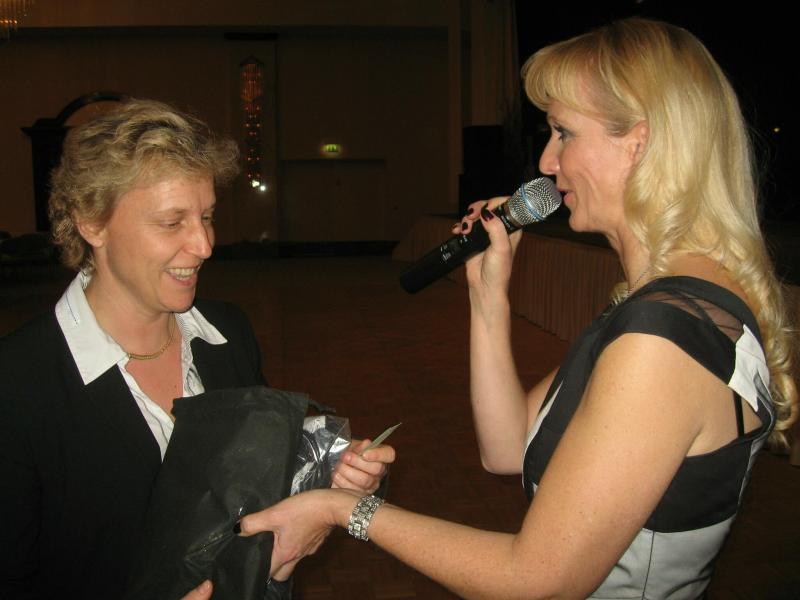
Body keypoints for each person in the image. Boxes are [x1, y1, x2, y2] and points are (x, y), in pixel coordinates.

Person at [237, 18, 798, 599]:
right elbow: (506, 448)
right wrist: (488, 295)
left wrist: (340, 509)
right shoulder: (671, 306)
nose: (548, 162)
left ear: (640, 142)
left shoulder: (663, 336)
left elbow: (536, 579)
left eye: (564, 133)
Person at [0, 99, 394, 600]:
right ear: (91, 222)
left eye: (206, 216)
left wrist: (328, 477)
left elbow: (256, 489)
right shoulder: (16, 387)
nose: (205, 245)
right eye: (172, 222)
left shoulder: (226, 335)